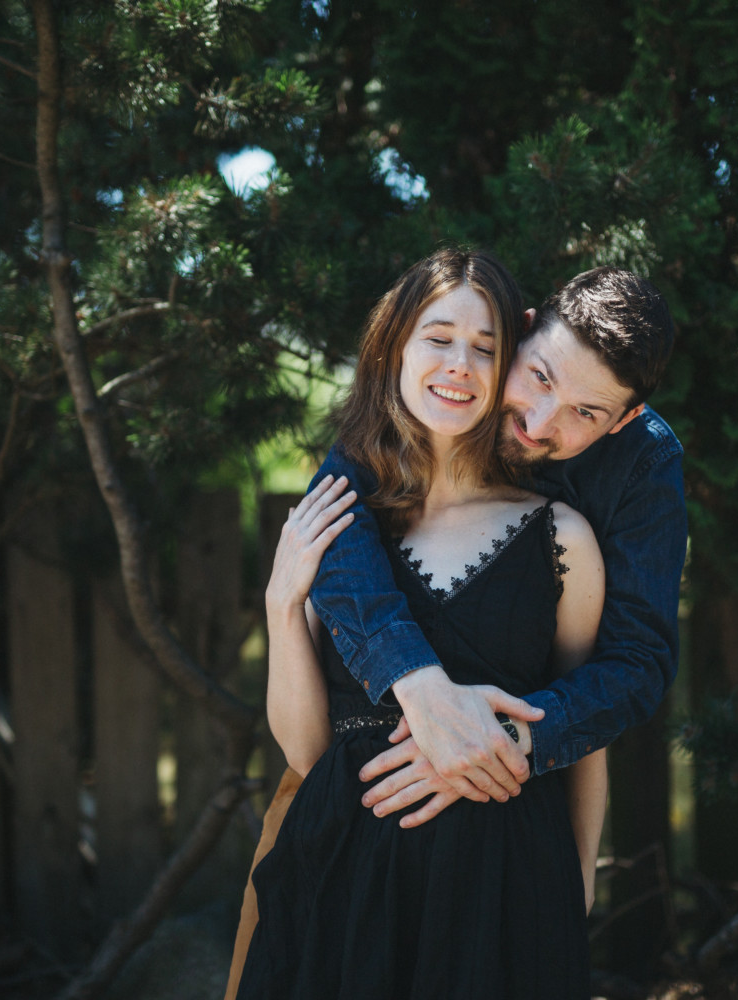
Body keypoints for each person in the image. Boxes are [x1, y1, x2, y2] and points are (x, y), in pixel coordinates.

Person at [223, 260, 684, 997]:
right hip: (344, 860)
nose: (540, 424)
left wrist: (491, 746)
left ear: (622, 419)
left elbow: (622, 672)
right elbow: (307, 747)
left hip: (501, 872)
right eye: (538, 378)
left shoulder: (609, 495)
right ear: (523, 335)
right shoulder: (357, 499)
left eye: (586, 414)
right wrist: (417, 689)